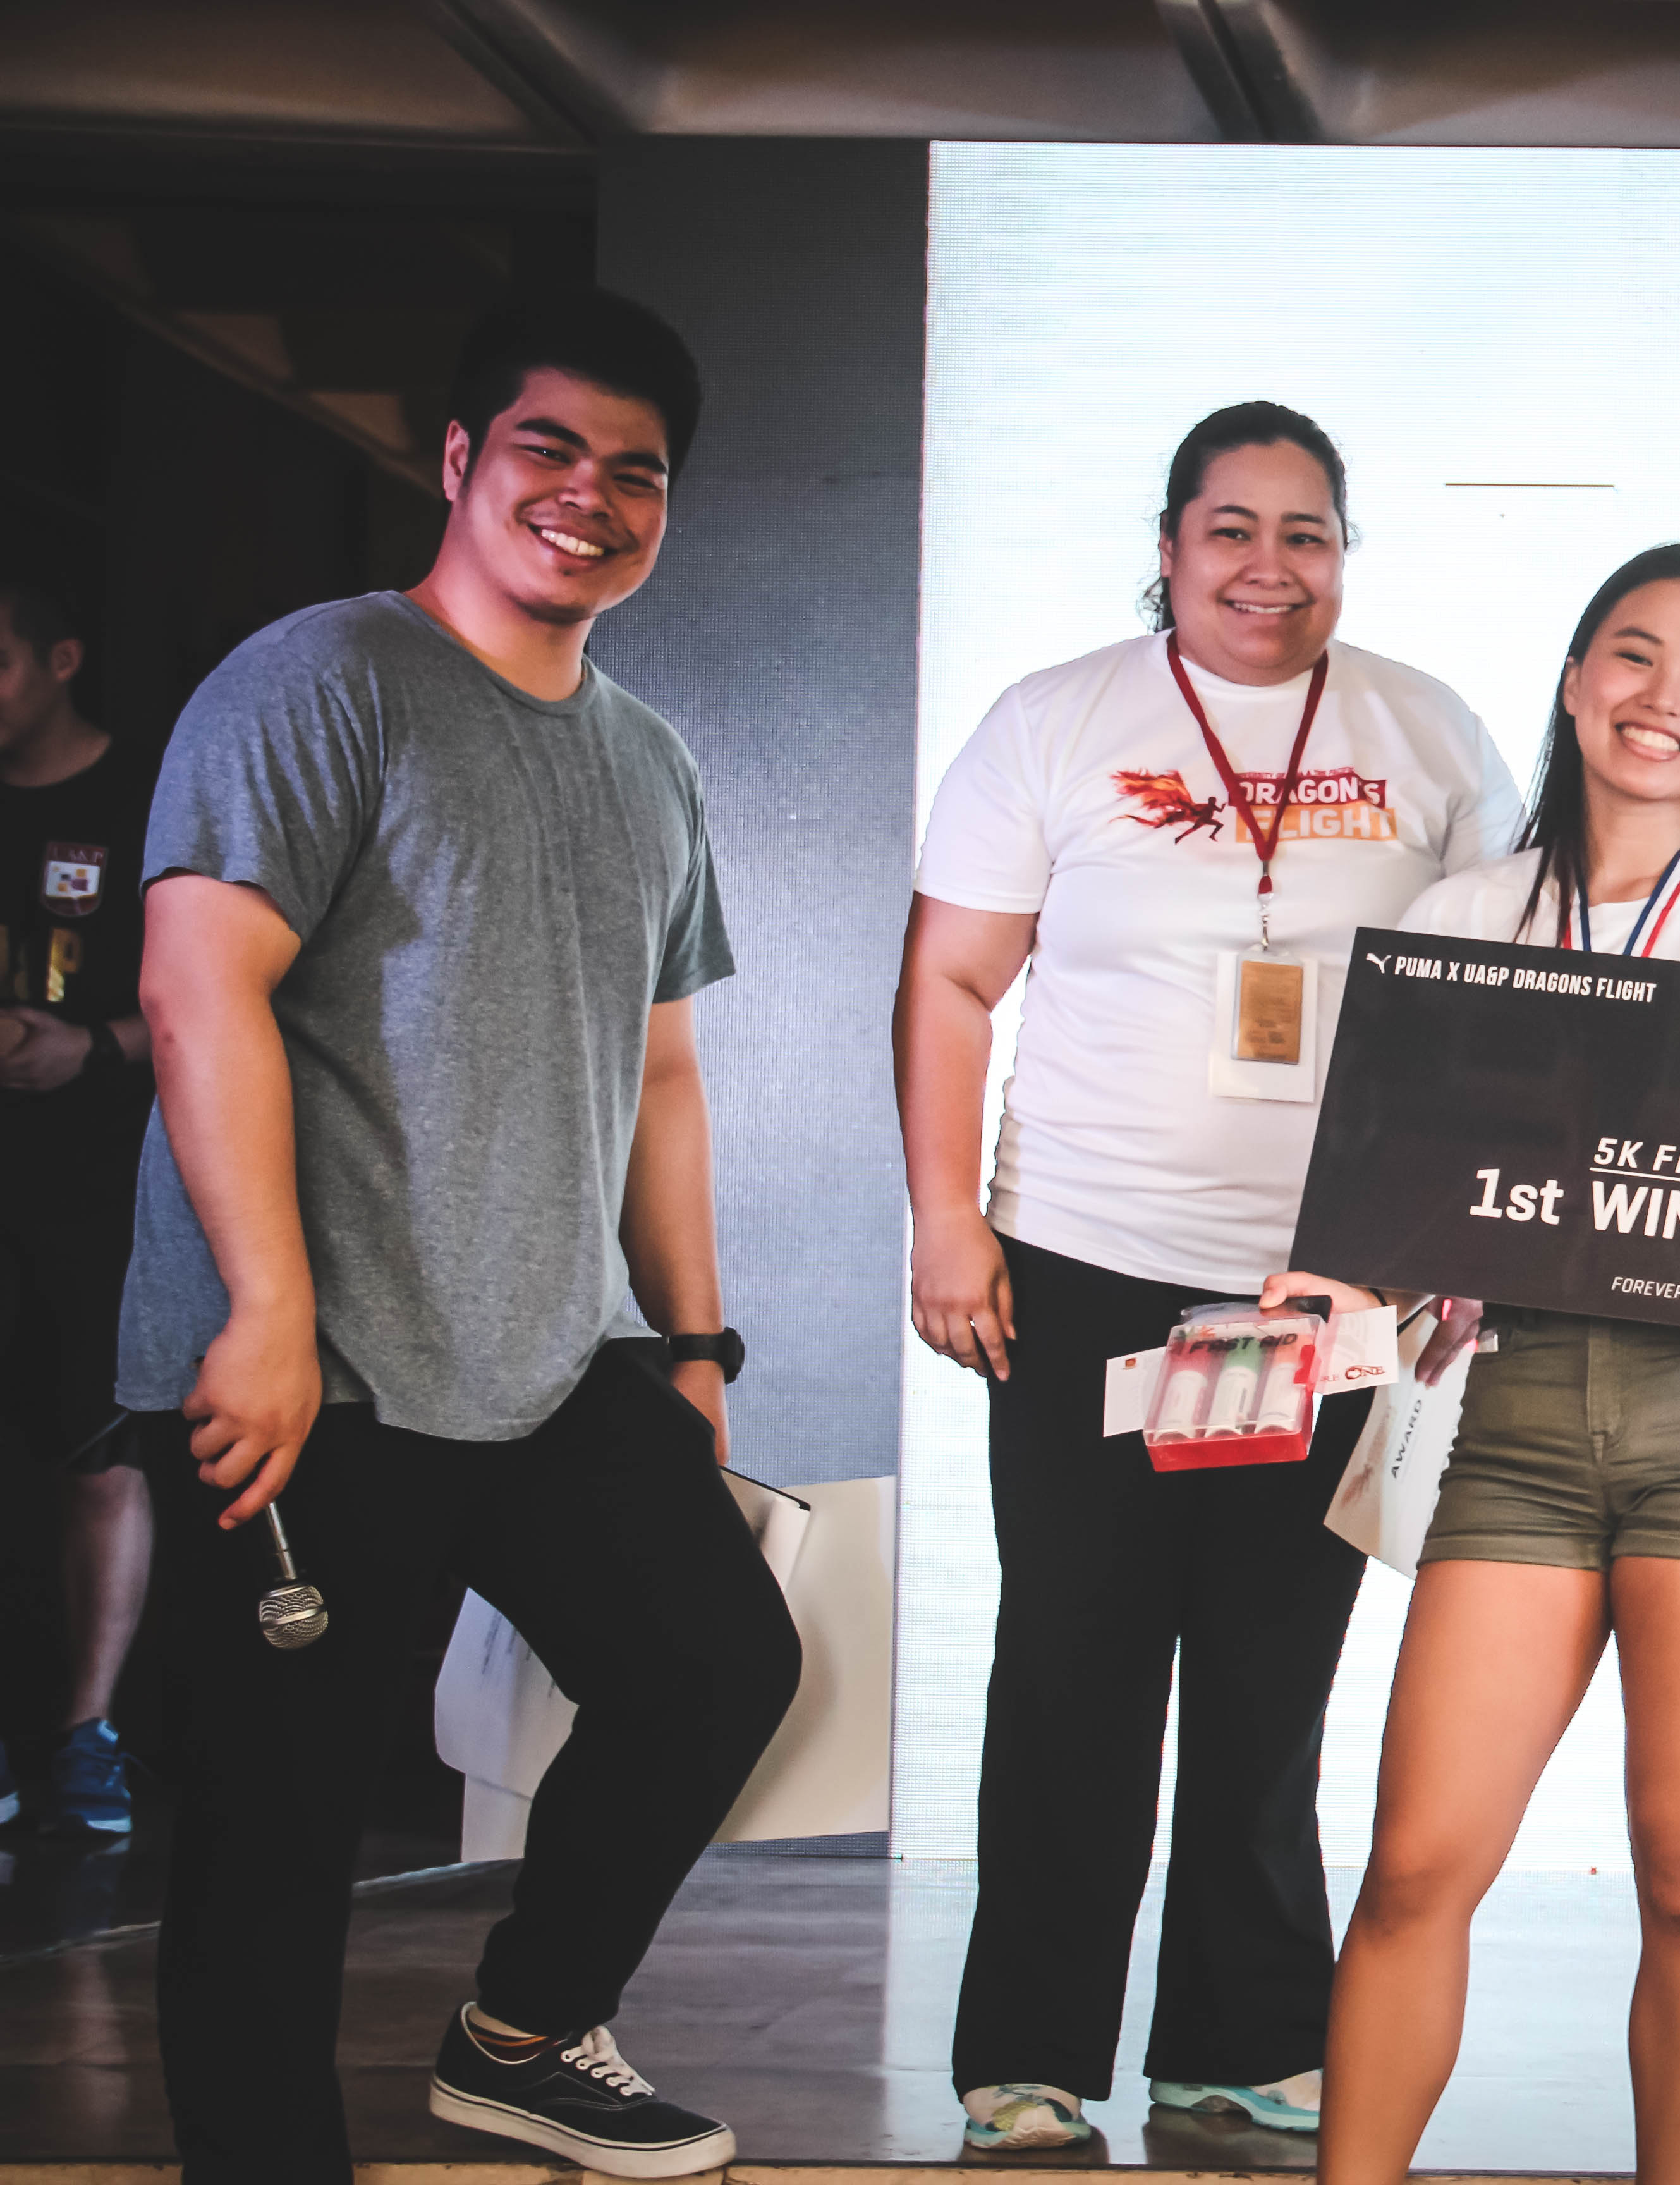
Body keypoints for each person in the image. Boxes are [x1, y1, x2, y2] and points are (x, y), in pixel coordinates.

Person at [115, 290, 801, 2181]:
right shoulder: (321, 679)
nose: (590, 496)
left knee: (717, 1665)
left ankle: (521, 2035)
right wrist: (266, 1309)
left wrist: (693, 1348)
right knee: (278, 1824)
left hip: (549, 1350)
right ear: (457, 461)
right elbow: (195, 988)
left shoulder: (648, 760)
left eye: (635, 473)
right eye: (547, 449)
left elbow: (665, 1073)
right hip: (313, 1362)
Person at [896, 401, 1523, 2155]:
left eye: (1306, 532)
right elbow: (950, 982)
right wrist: (947, 1219)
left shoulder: (1428, 732)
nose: (1269, 566)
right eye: (1231, 529)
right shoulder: (1056, 722)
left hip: (1324, 1296)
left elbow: (1502, 1004)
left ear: (1345, 553)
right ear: (1169, 546)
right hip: (1084, 1267)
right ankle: (1027, 2055)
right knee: (1071, 1671)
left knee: (1267, 1684)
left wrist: (1454, 1246)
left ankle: (1240, 2043)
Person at [1278, 542, 1680, 2185]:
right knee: (1416, 1865)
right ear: (1574, 682)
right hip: (1518, 1419)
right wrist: (1329, 1288)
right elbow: (1399, 1204)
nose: (1664, 698)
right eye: (1634, 656)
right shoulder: (1463, 917)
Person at [0, 580, 155, 1839]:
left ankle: (88, 1735)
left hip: (95, 1181)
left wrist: (89, 1047)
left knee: (97, 1457)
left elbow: (231, 994)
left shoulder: (148, 799)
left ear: (61, 659)